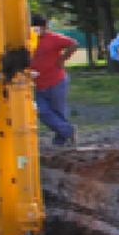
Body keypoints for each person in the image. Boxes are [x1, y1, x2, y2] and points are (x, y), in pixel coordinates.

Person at [29, 13, 79, 147]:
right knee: (40, 111)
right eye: (33, 29)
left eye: (38, 29)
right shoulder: (28, 40)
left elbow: (73, 44)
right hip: (37, 84)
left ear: (45, 27)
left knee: (58, 112)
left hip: (56, 81)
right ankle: (69, 131)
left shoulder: (53, 38)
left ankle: (60, 141)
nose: (35, 31)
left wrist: (62, 60)